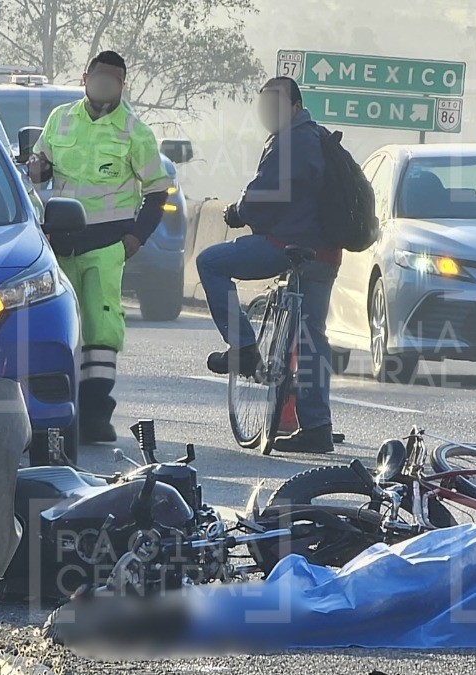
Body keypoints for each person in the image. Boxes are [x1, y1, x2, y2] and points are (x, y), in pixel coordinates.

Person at [27, 50, 173, 443]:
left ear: (123, 85)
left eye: (114, 79)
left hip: (107, 244)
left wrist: (136, 237)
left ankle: (94, 416)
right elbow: (40, 166)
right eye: (99, 76)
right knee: (55, 329)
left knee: (100, 331)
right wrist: (37, 168)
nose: (105, 84)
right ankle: (52, 410)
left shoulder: (134, 131)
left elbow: (160, 192)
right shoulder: (61, 119)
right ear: (85, 77)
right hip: (59, 244)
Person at [195, 76, 341, 454]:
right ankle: (317, 427)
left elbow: (265, 196)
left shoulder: (290, 142)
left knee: (210, 263)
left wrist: (236, 213)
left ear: (294, 106)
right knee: (312, 338)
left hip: (286, 245)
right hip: (325, 252)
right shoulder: (319, 138)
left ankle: (243, 346)